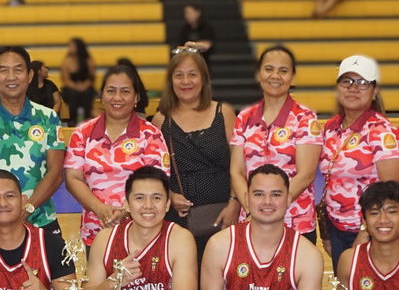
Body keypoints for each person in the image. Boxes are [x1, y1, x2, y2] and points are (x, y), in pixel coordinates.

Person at [0, 45, 67, 242]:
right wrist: (5, 214)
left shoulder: (48, 117)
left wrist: (26, 210)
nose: (11, 77)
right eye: (3, 70)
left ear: (29, 76)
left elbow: (56, 174)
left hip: (42, 221)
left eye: (18, 70)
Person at [65, 62, 171, 245]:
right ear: (101, 95)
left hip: (142, 233)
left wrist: (126, 210)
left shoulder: (151, 134)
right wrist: (100, 209)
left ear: (136, 97)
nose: (117, 98)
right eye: (111, 91)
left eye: (125, 91)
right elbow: (73, 178)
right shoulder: (82, 133)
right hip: (95, 234)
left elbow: (158, 181)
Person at [230, 45, 321, 243]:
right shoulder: (244, 117)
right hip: (251, 220)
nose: (275, 76)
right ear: (258, 73)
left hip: (295, 222)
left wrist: (271, 208)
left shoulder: (305, 118)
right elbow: (236, 171)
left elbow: (306, 175)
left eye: (283, 71)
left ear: (293, 77)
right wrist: (252, 208)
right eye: (269, 69)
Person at [320, 55, 399, 265]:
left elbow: (391, 190)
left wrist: (366, 233)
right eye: (346, 81)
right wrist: (326, 232)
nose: (353, 88)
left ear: (374, 92)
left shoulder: (381, 132)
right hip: (337, 230)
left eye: (362, 83)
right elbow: (325, 182)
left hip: (372, 232)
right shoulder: (330, 128)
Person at [157, 49, 238, 258]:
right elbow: (156, 172)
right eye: (179, 75)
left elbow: (240, 165)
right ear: (171, 81)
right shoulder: (160, 121)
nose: (186, 81)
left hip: (223, 215)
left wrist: (235, 203)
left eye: (192, 74)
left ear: (203, 78)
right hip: (179, 220)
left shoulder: (224, 113)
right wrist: (170, 196)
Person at [60, 38, 96, 123]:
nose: (70, 48)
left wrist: (84, 86)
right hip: (71, 87)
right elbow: (66, 80)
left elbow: (91, 78)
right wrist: (76, 87)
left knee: (87, 93)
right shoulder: (66, 61)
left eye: (72, 46)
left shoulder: (88, 60)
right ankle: (73, 120)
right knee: (73, 94)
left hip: (85, 86)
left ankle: (88, 119)